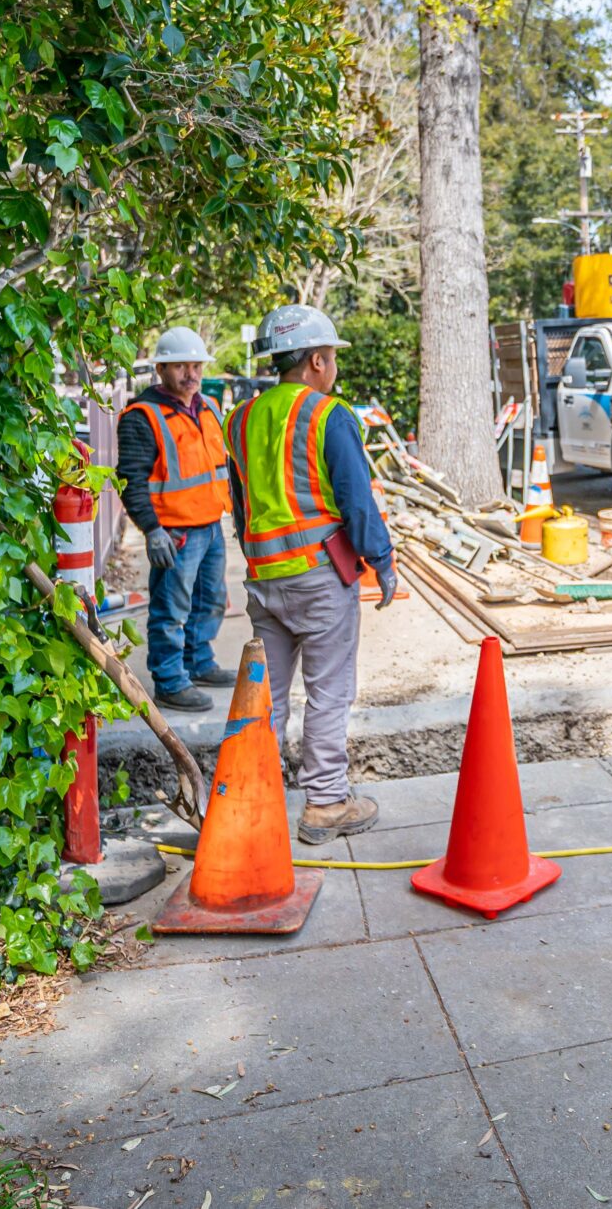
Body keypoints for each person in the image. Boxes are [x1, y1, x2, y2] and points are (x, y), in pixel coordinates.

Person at [226, 304, 399, 844]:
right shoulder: (327, 415)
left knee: (267, 698)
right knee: (328, 692)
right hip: (320, 579)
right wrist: (382, 561)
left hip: (263, 579)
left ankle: (252, 805)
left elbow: (240, 504)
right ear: (318, 361)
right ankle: (325, 803)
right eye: (332, 358)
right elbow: (356, 501)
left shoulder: (240, 420)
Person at [116, 327, 231, 714]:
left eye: (196, 366)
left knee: (209, 601)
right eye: (181, 366)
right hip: (175, 532)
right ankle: (169, 680)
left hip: (211, 525)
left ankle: (199, 662)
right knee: (171, 609)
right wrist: (151, 530)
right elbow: (130, 479)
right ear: (161, 369)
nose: (191, 374)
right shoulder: (142, 416)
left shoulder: (209, 407)